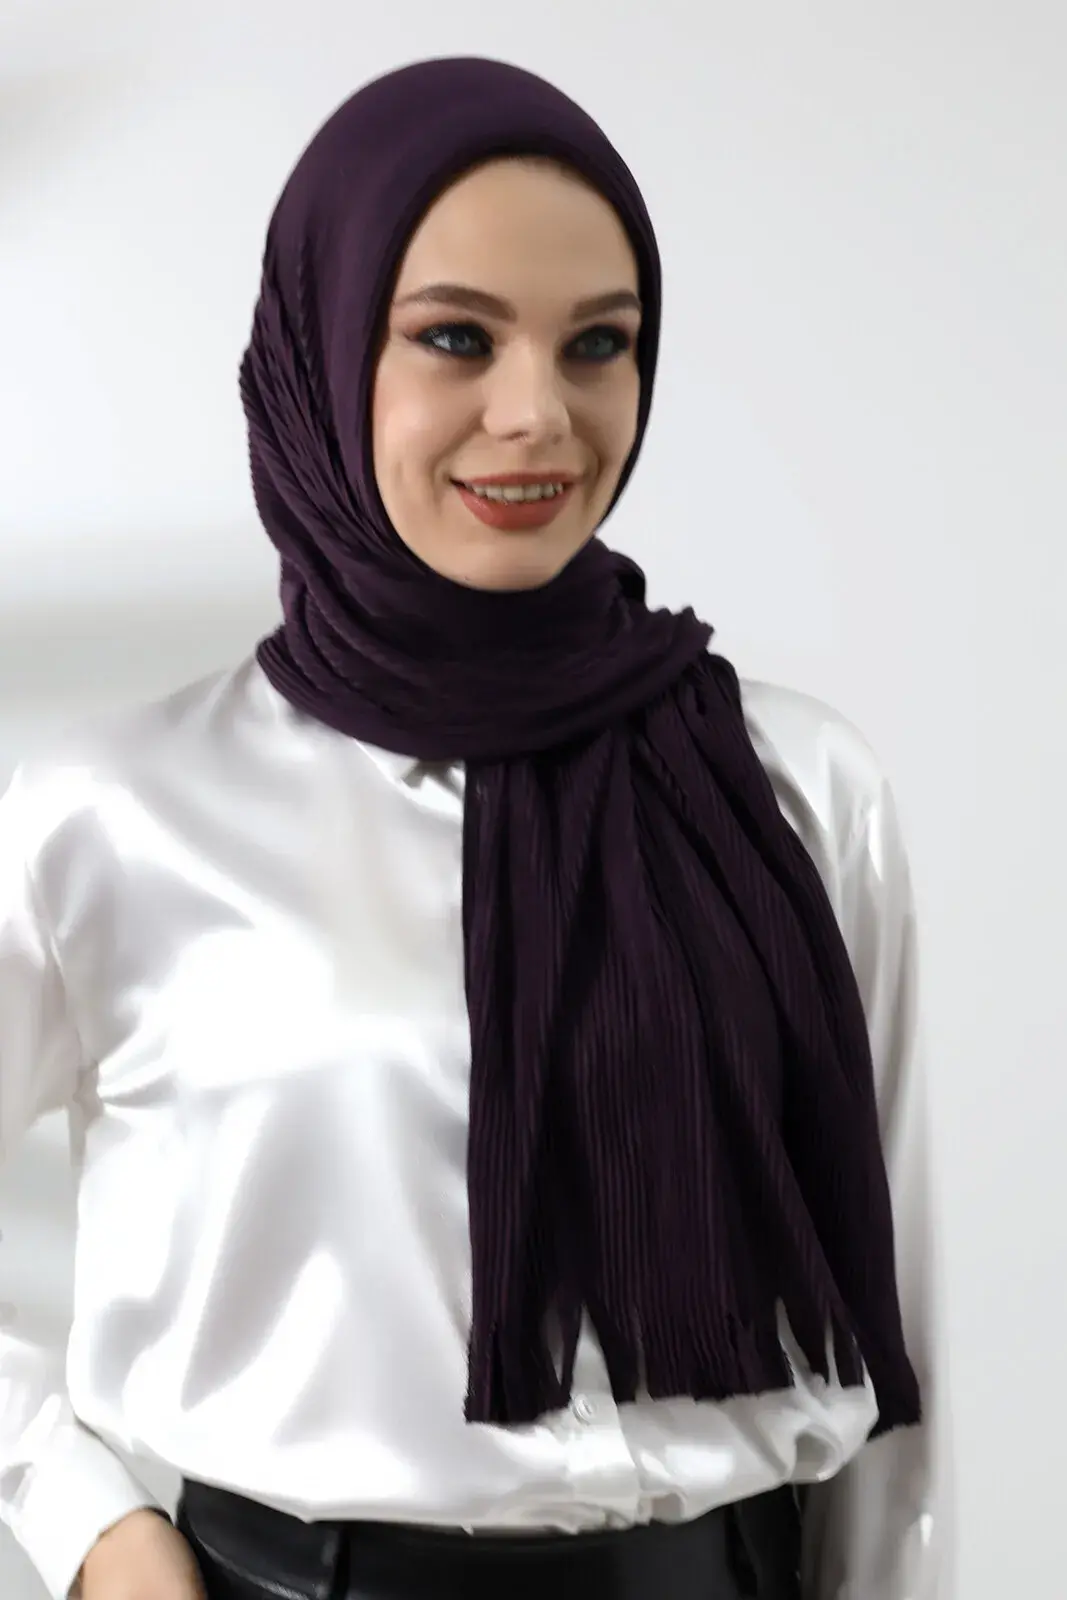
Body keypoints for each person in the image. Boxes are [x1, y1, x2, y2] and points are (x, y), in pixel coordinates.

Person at [0, 56, 942, 1600]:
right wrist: (88, 1522)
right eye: (455, 337)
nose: (537, 414)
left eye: (597, 344)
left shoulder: (793, 790)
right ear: (319, 347)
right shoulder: (117, 812)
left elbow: (894, 1352)